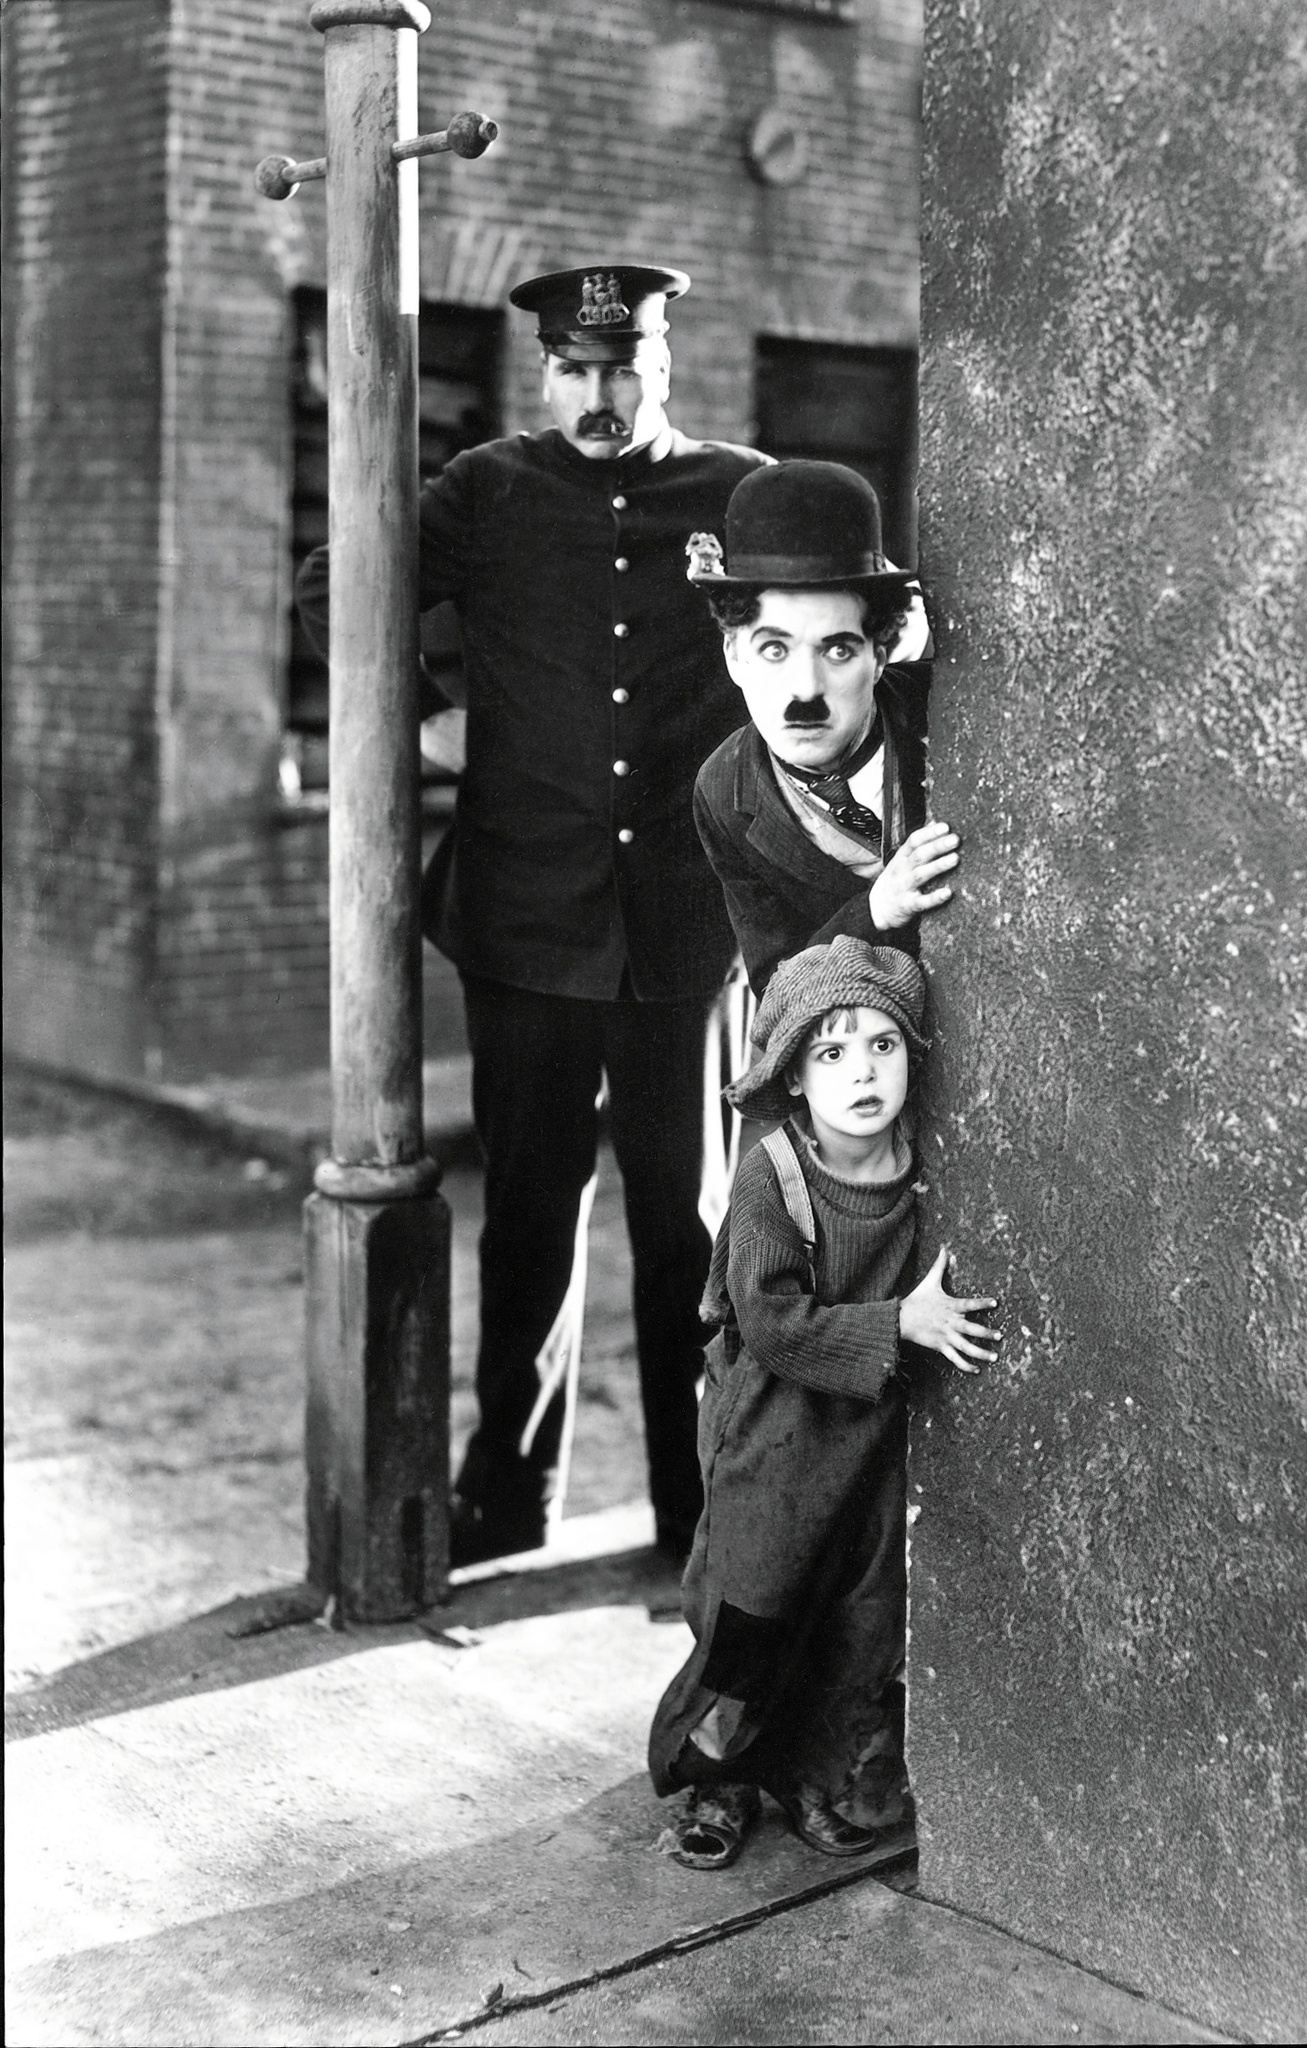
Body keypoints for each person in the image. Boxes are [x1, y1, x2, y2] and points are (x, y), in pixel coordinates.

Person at [296, 264, 770, 1567]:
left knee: (689, 1228)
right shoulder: (490, 491)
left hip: (681, 931)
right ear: (543, 371)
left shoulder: (739, 491)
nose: (599, 394)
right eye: (575, 369)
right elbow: (337, 582)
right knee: (527, 1218)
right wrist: (425, 721)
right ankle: (510, 1496)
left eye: (624, 367)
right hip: (527, 921)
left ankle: (695, 1504)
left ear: (664, 363)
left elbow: (856, 614)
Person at [647, 935, 1000, 1867]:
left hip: (867, 1434)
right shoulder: (776, 1174)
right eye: (830, 1052)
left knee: (859, 1618)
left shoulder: (921, 1161)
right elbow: (767, 1319)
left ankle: (815, 1776)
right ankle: (716, 1781)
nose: (860, 1072)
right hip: (772, 1433)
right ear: (794, 1078)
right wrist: (901, 1327)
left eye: (882, 1046)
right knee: (751, 1611)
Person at [688, 460, 962, 998]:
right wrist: (876, 910)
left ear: (880, 655)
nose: (805, 690)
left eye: (838, 650)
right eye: (775, 650)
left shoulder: (947, 713)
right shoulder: (723, 791)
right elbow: (777, 983)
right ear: (734, 657)